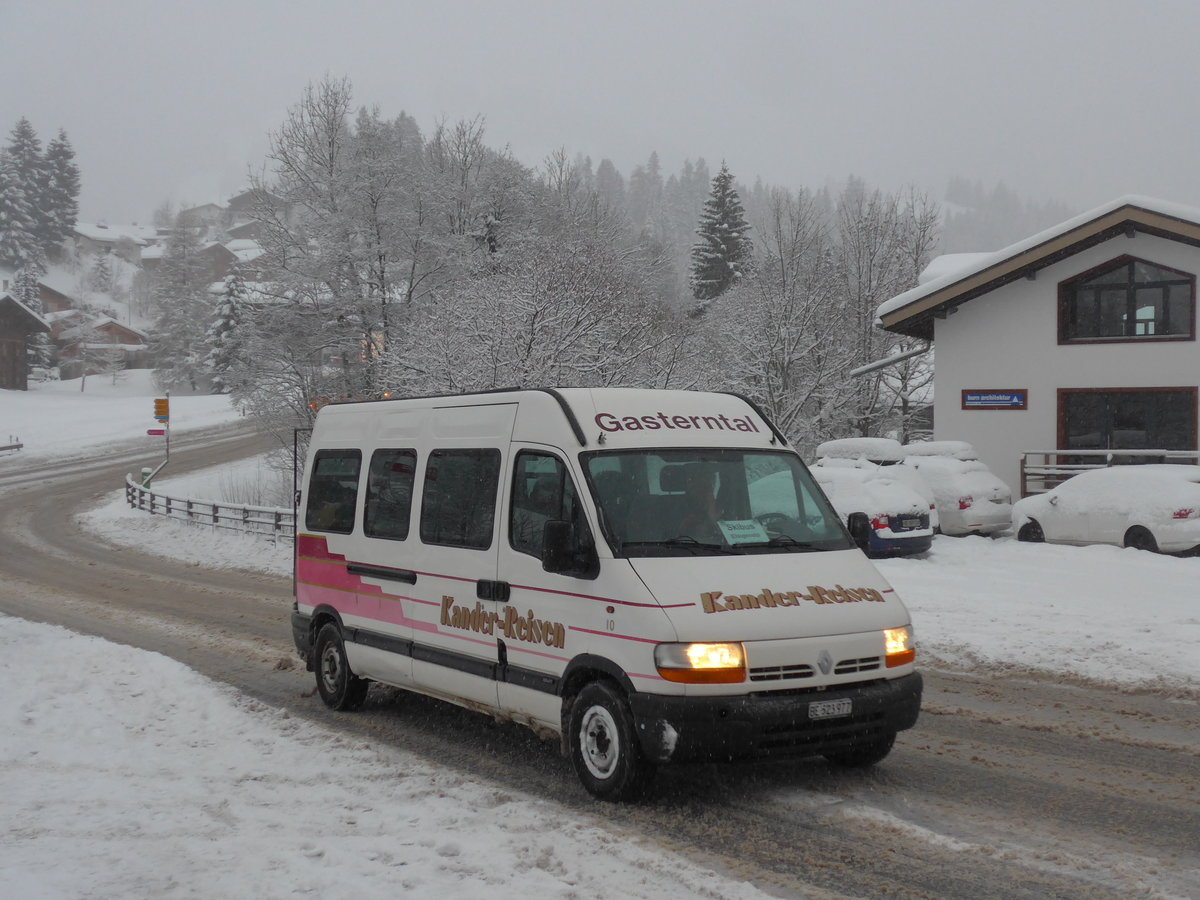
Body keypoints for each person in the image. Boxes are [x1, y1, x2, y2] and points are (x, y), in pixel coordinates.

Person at [676, 466, 722, 541]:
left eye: (711, 478)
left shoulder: (720, 506)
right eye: (703, 480)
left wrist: (711, 508)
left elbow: (726, 536)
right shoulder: (679, 506)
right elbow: (675, 537)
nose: (710, 484)